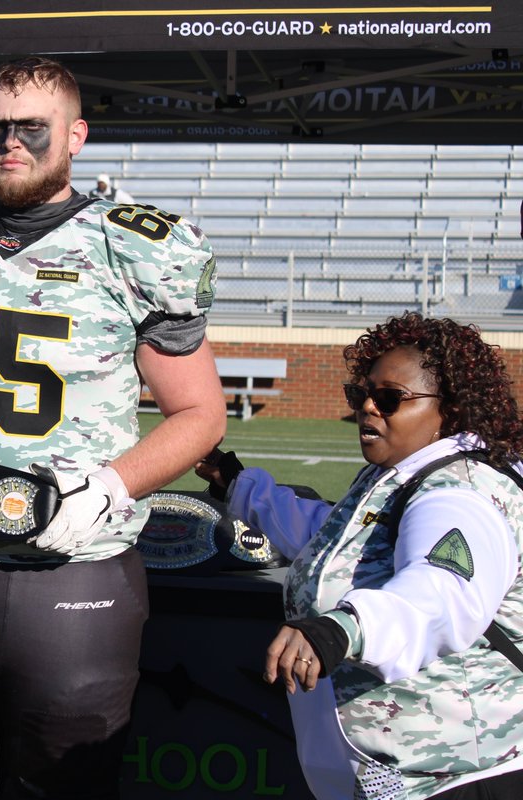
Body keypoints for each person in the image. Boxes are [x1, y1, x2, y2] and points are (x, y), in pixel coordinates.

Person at [0, 56, 225, 799]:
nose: (11, 143)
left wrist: (108, 485)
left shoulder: (130, 247)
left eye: (31, 127)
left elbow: (200, 414)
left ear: (76, 134)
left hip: (71, 570)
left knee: (64, 788)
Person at [197, 312, 523, 799]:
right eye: (361, 394)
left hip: (458, 774)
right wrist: (239, 485)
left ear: (450, 409)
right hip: (407, 771)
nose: (367, 408)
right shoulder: (402, 472)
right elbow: (334, 538)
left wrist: (341, 628)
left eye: (390, 398)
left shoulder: (458, 496)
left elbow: (441, 594)